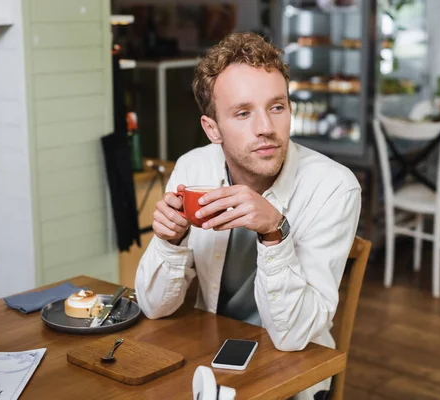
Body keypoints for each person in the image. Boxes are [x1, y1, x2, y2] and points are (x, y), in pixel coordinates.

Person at [135, 32, 361, 400]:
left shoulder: (334, 187)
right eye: (243, 113)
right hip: (207, 361)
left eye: (277, 107)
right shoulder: (193, 170)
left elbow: (293, 336)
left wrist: (274, 231)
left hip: (293, 372)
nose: (266, 129)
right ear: (212, 129)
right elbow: (154, 307)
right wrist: (169, 241)